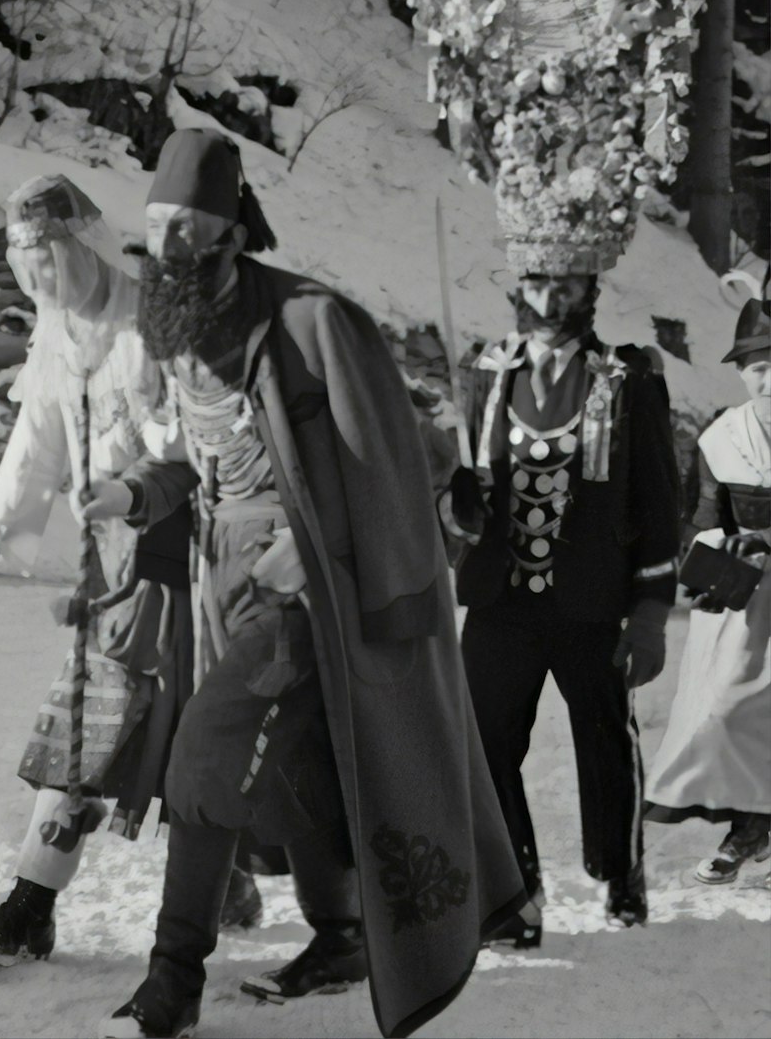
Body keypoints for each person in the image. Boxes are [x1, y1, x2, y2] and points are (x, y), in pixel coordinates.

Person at [76, 129, 524, 1039]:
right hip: (223, 582)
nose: (166, 248)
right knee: (295, 768)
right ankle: (343, 932)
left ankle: (171, 986)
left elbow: (387, 463)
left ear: (232, 234)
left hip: (306, 594)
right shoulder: (176, 332)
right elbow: (198, 465)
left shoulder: (314, 322)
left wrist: (314, 555)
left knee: (206, 752)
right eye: (156, 225)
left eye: (188, 228)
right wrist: (132, 491)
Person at [0, 174, 258, 968]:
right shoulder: (56, 341)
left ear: (82, 247)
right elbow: (32, 451)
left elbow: (204, 441)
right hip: (114, 574)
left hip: (189, 562)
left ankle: (234, 875)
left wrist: (138, 463)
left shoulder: (158, 323)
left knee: (196, 736)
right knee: (90, 728)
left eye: (48, 261)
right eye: (26, 268)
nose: (41, 282)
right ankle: (31, 909)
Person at [444, 264, 681, 943]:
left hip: (592, 600)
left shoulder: (626, 377)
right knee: (482, 746)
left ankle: (621, 869)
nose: (550, 301)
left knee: (605, 743)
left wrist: (651, 612)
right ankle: (515, 893)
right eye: (538, 285)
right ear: (519, 289)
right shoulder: (488, 371)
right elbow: (465, 480)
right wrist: (461, 505)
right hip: (502, 601)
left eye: (567, 286)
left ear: (590, 291)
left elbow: (658, 502)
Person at [645, 292, 771, 887]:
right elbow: (702, 516)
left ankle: (753, 832)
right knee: (726, 710)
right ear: (743, 373)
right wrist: (718, 553)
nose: (768, 381)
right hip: (747, 594)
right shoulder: (723, 436)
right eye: (758, 369)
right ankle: (751, 824)